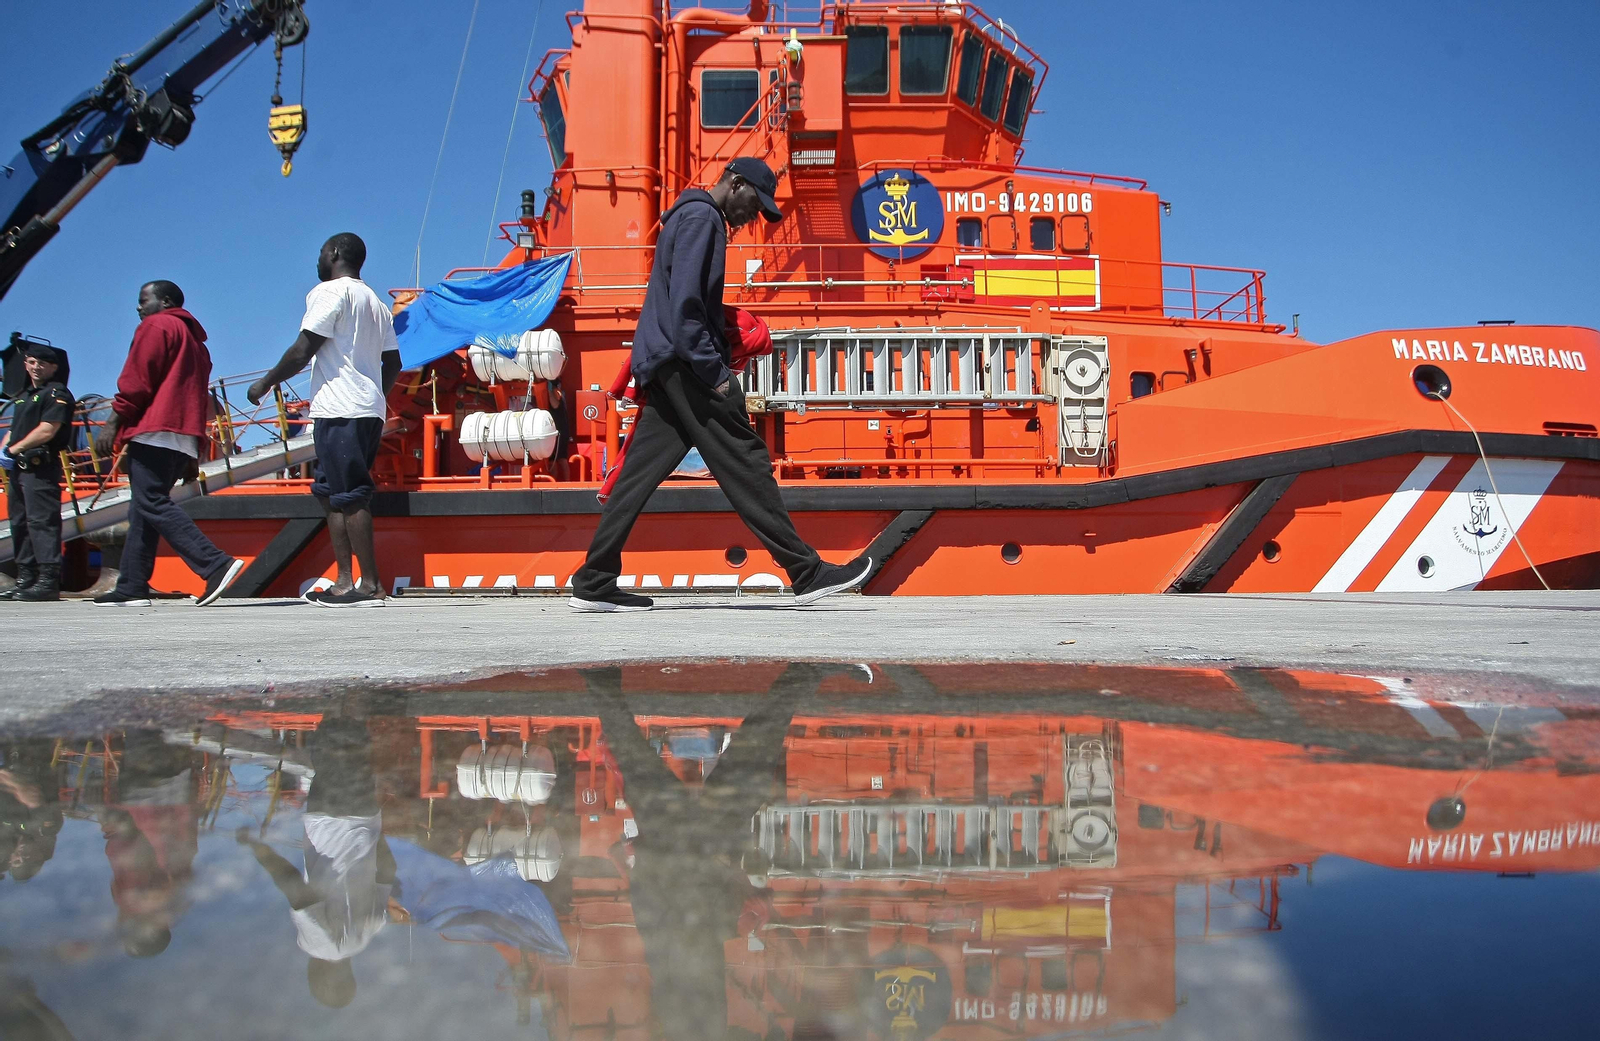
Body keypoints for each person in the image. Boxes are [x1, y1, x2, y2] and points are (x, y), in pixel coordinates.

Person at [570, 158, 871, 612]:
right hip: (689, 365)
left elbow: (679, 300)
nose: (754, 215)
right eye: (755, 202)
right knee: (746, 461)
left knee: (635, 477)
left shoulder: (688, 216)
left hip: (668, 364)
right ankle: (807, 573)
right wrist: (715, 374)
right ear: (736, 182)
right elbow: (687, 306)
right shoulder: (703, 218)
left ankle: (594, 580)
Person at [248, 233, 400, 608]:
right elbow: (393, 362)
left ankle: (370, 585)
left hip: (340, 408)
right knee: (331, 493)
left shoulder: (330, 292)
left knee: (350, 494)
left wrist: (265, 383)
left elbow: (303, 349)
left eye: (320, 253)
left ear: (333, 253)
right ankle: (345, 582)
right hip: (366, 409)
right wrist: (375, 394)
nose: (317, 260)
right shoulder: (377, 304)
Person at [92, 281, 244, 608]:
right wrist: (193, 451)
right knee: (143, 508)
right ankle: (132, 585)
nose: (138, 307)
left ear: (165, 301)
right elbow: (197, 396)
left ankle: (215, 563)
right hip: (182, 434)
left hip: (155, 428)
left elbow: (137, 380)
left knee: (151, 501)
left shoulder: (157, 325)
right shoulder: (197, 344)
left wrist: (113, 424)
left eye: (143, 300)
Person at [238, 714, 396, 1008]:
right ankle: (335, 703)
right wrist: (259, 850)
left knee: (356, 753)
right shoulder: (321, 947)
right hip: (328, 819)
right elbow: (298, 893)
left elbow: (388, 869)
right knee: (330, 746)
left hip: (365, 817)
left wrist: (373, 833)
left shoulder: (369, 933)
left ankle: (356, 706)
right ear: (322, 979)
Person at [1, 340, 73, 602]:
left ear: (53, 367)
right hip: (19, 469)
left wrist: (12, 450)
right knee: (19, 522)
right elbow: (14, 430)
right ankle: (26, 578)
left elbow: (48, 429)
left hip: (40, 467)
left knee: (41, 522)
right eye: (31, 362)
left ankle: (47, 581)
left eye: (42, 363)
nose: (36, 367)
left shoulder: (56, 393)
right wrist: (4, 449)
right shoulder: (23, 397)